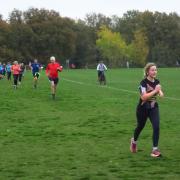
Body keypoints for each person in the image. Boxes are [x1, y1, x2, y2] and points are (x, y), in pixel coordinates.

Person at [130, 63, 164, 158]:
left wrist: (160, 93)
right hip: (142, 108)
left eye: (156, 70)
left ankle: (155, 150)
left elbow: (160, 93)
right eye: (152, 70)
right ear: (147, 72)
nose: (154, 72)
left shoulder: (157, 81)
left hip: (153, 107)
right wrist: (155, 91)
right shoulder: (143, 83)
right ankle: (134, 141)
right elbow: (144, 97)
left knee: (156, 126)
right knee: (140, 126)